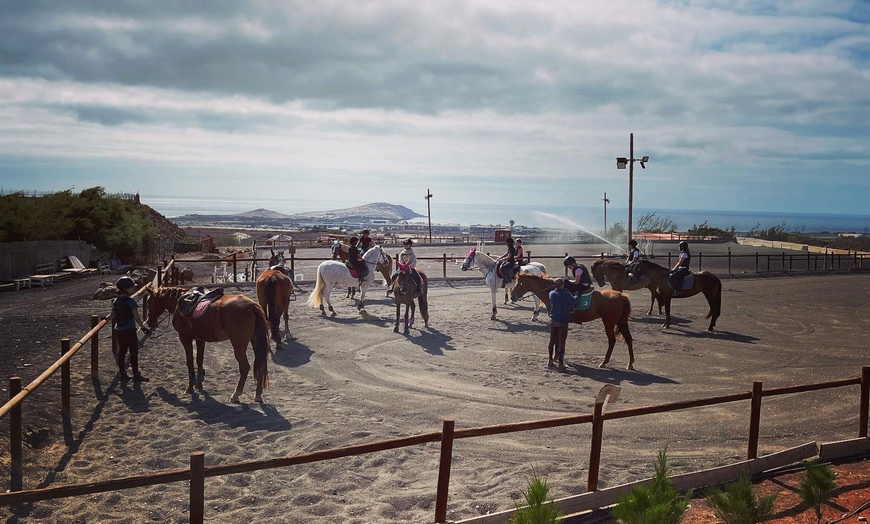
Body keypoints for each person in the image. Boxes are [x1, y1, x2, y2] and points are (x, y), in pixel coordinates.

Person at [105, 276, 150, 382]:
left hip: (119, 330)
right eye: (131, 287)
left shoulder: (115, 301)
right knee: (133, 352)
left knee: (122, 352)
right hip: (129, 330)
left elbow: (112, 314)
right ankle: (136, 374)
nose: (133, 289)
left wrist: (105, 319)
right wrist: (143, 328)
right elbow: (136, 317)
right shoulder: (130, 302)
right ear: (125, 289)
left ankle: (122, 374)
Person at [547, 278, 572, 370]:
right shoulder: (566, 294)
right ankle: (560, 363)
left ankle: (550, 360)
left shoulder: (551, 293)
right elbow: (574, 301)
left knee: (552, 341)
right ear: (562, 285)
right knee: (562, 342)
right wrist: (576, 295)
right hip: (563, 320)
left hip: (554, 320)